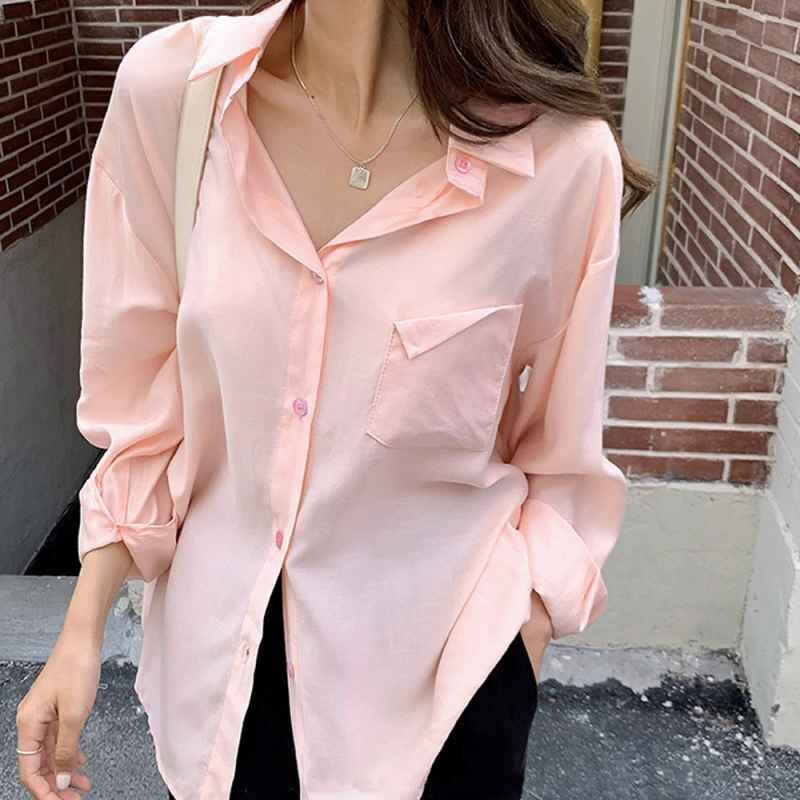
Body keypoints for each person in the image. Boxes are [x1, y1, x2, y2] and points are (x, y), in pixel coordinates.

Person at [15, 0, 655, 798]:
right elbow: (146, 415)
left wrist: (519, 643)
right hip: (222, 692)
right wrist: (81, 631)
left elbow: (562, 462)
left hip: (444, 701)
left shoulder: (560, 160)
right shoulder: (177, 98)